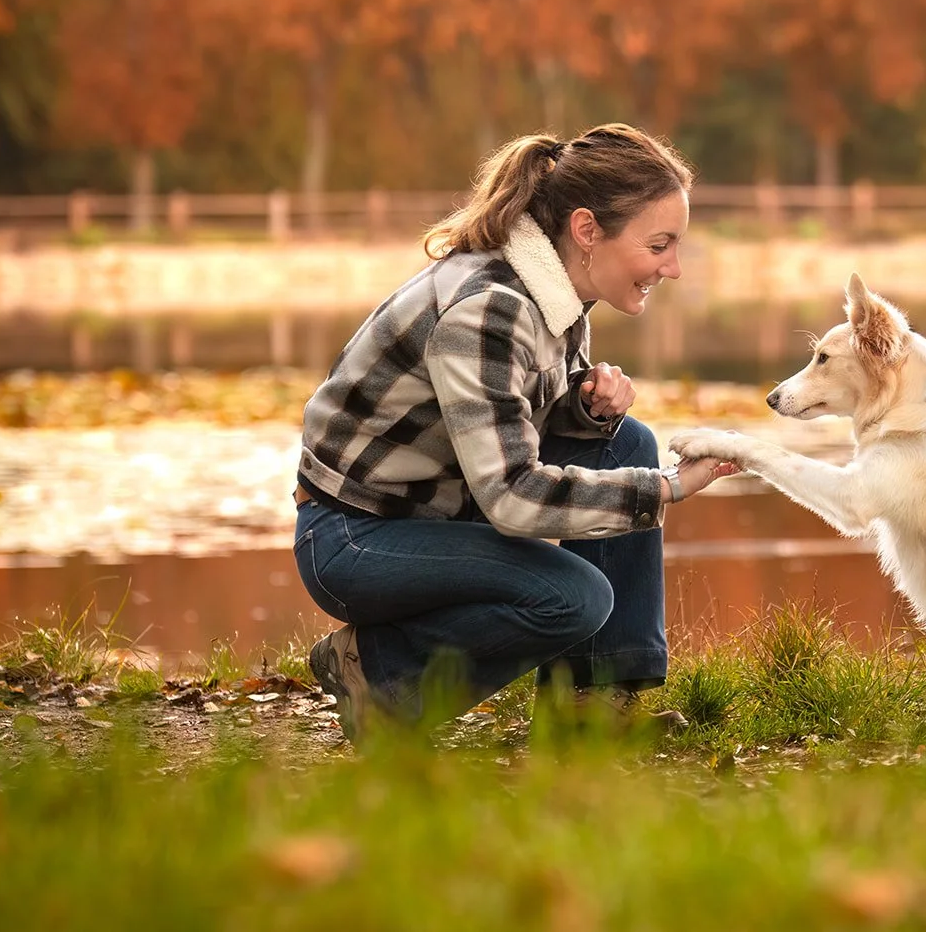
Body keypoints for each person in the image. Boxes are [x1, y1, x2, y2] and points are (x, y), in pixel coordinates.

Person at [291, 123, 736, 743]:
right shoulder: (490, 308)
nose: (675, 267)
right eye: (659, 244)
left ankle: (591, 703)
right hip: (356, 539)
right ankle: (380, 676)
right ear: (587, 231)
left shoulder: (555, 291)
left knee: (623, 441)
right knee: (574, 596)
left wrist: (585, 410)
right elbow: (511, 493)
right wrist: (660, 491)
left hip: (443, 510)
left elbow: (506, 419)